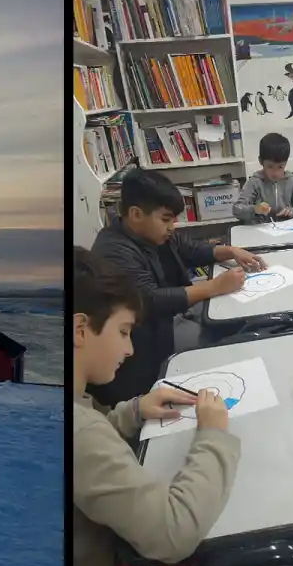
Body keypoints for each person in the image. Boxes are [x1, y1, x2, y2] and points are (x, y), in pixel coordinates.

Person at [72, 246, 240, 566]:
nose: (129, 349)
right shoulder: (79, 431)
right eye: (122, 332)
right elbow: (173, 534)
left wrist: (131, 412)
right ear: (79, 329)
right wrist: (213, 436)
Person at [91, 168, 266, 407]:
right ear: (136, 214)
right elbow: (151, 300)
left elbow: (192, 249)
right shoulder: (113, 251)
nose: (172, 227)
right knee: (224, 341)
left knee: (238, 316)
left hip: (174, 315)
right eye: (165, 219)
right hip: (148, 339)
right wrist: (214, 287)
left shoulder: (155, 233)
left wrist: (231, 251)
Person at [231, 133, 293, 223]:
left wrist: (292, 212)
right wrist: (255, 209)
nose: (276, 173)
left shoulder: (291, 181)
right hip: (261, 231)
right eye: (270, 167)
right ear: (261, 161)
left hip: (286, 230)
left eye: (280, 167)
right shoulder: (255, 182)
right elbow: (237, 209)